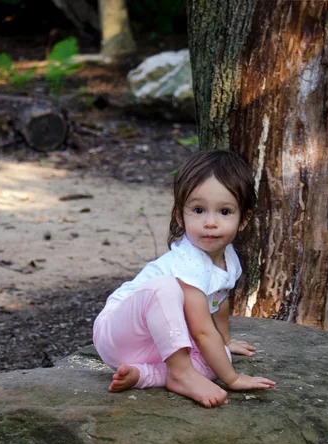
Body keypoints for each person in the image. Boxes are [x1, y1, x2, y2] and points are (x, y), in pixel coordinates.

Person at [93, 150, 276, 408]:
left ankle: (142, 374)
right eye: (199, 210)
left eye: (224, 212)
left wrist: (225, 342)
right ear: (181, 215)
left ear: (243, 219)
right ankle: (181, 373)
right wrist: (232, 379)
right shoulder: (189, 264)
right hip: (120, 331)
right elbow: (201, 331)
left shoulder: (229, 258)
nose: (210, 222)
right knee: (165, 288)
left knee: (218, 358)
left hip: (154, 345)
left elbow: (219, 301)